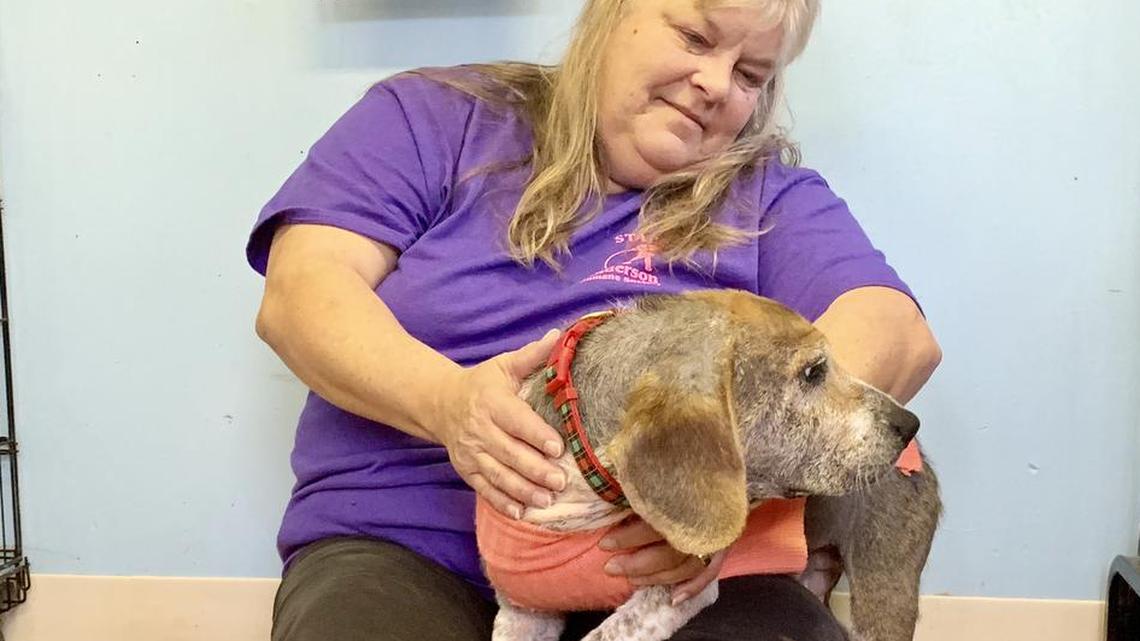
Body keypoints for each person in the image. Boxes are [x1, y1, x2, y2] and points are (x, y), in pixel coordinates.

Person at [248, 1, 941, 639]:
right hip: (406, 537)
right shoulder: (433, 117)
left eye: (750, 73)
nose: (714, 82)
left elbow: (896, 332)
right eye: (695, 36)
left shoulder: (765, 198)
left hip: (666, 569)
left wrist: (708, 502)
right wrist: (447, 404)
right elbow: (302, 295)